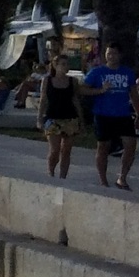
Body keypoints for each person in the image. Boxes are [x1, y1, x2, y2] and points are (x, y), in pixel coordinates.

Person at [81, 44, 139, 191]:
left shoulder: (127, 73)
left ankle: (122, 177)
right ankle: (103, 180)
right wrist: (100, 90)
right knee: (103, 147)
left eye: (114, 53)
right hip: (103, 114)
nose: (111, 56)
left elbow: (133, 94)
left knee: (130, 145)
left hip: (123, 114)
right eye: (108, 53)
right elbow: (82, 89)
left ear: (120, 55)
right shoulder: (97, 72)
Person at [36, 51, 81, 180]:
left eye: (67, 64)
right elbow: (43, 99)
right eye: (63, 64)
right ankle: (51, 172)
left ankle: (63, 177)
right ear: (55, 65)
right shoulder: (47, 80)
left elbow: (75, 100)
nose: (66, 67)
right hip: (52, 118)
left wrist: (81, 120)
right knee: (54, 150)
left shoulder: (72, 81)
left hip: (70, 117)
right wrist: (39, 118)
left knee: (66, 150)